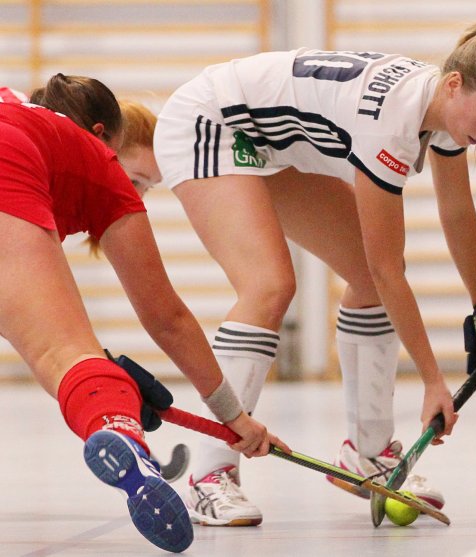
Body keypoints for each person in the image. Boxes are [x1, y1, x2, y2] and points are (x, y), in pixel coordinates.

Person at [152, 18, 476, 527]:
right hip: (212, 122)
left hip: (268, 142)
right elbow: (388, 265)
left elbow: (457, 211)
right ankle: (210, 475)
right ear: (455, 84)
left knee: (369, 284)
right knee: (270, 284)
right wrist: (432, 380)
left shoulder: (443, 109)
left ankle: (366, 455)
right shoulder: (391, 121)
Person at [0, 75, 287, 552]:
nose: (137, 190)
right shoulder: (93, 159)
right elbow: (166, 318)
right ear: (104, 138)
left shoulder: (23, 109)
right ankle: (120, 432)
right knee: (66, 355)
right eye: (138, 181)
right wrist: (235, 417)